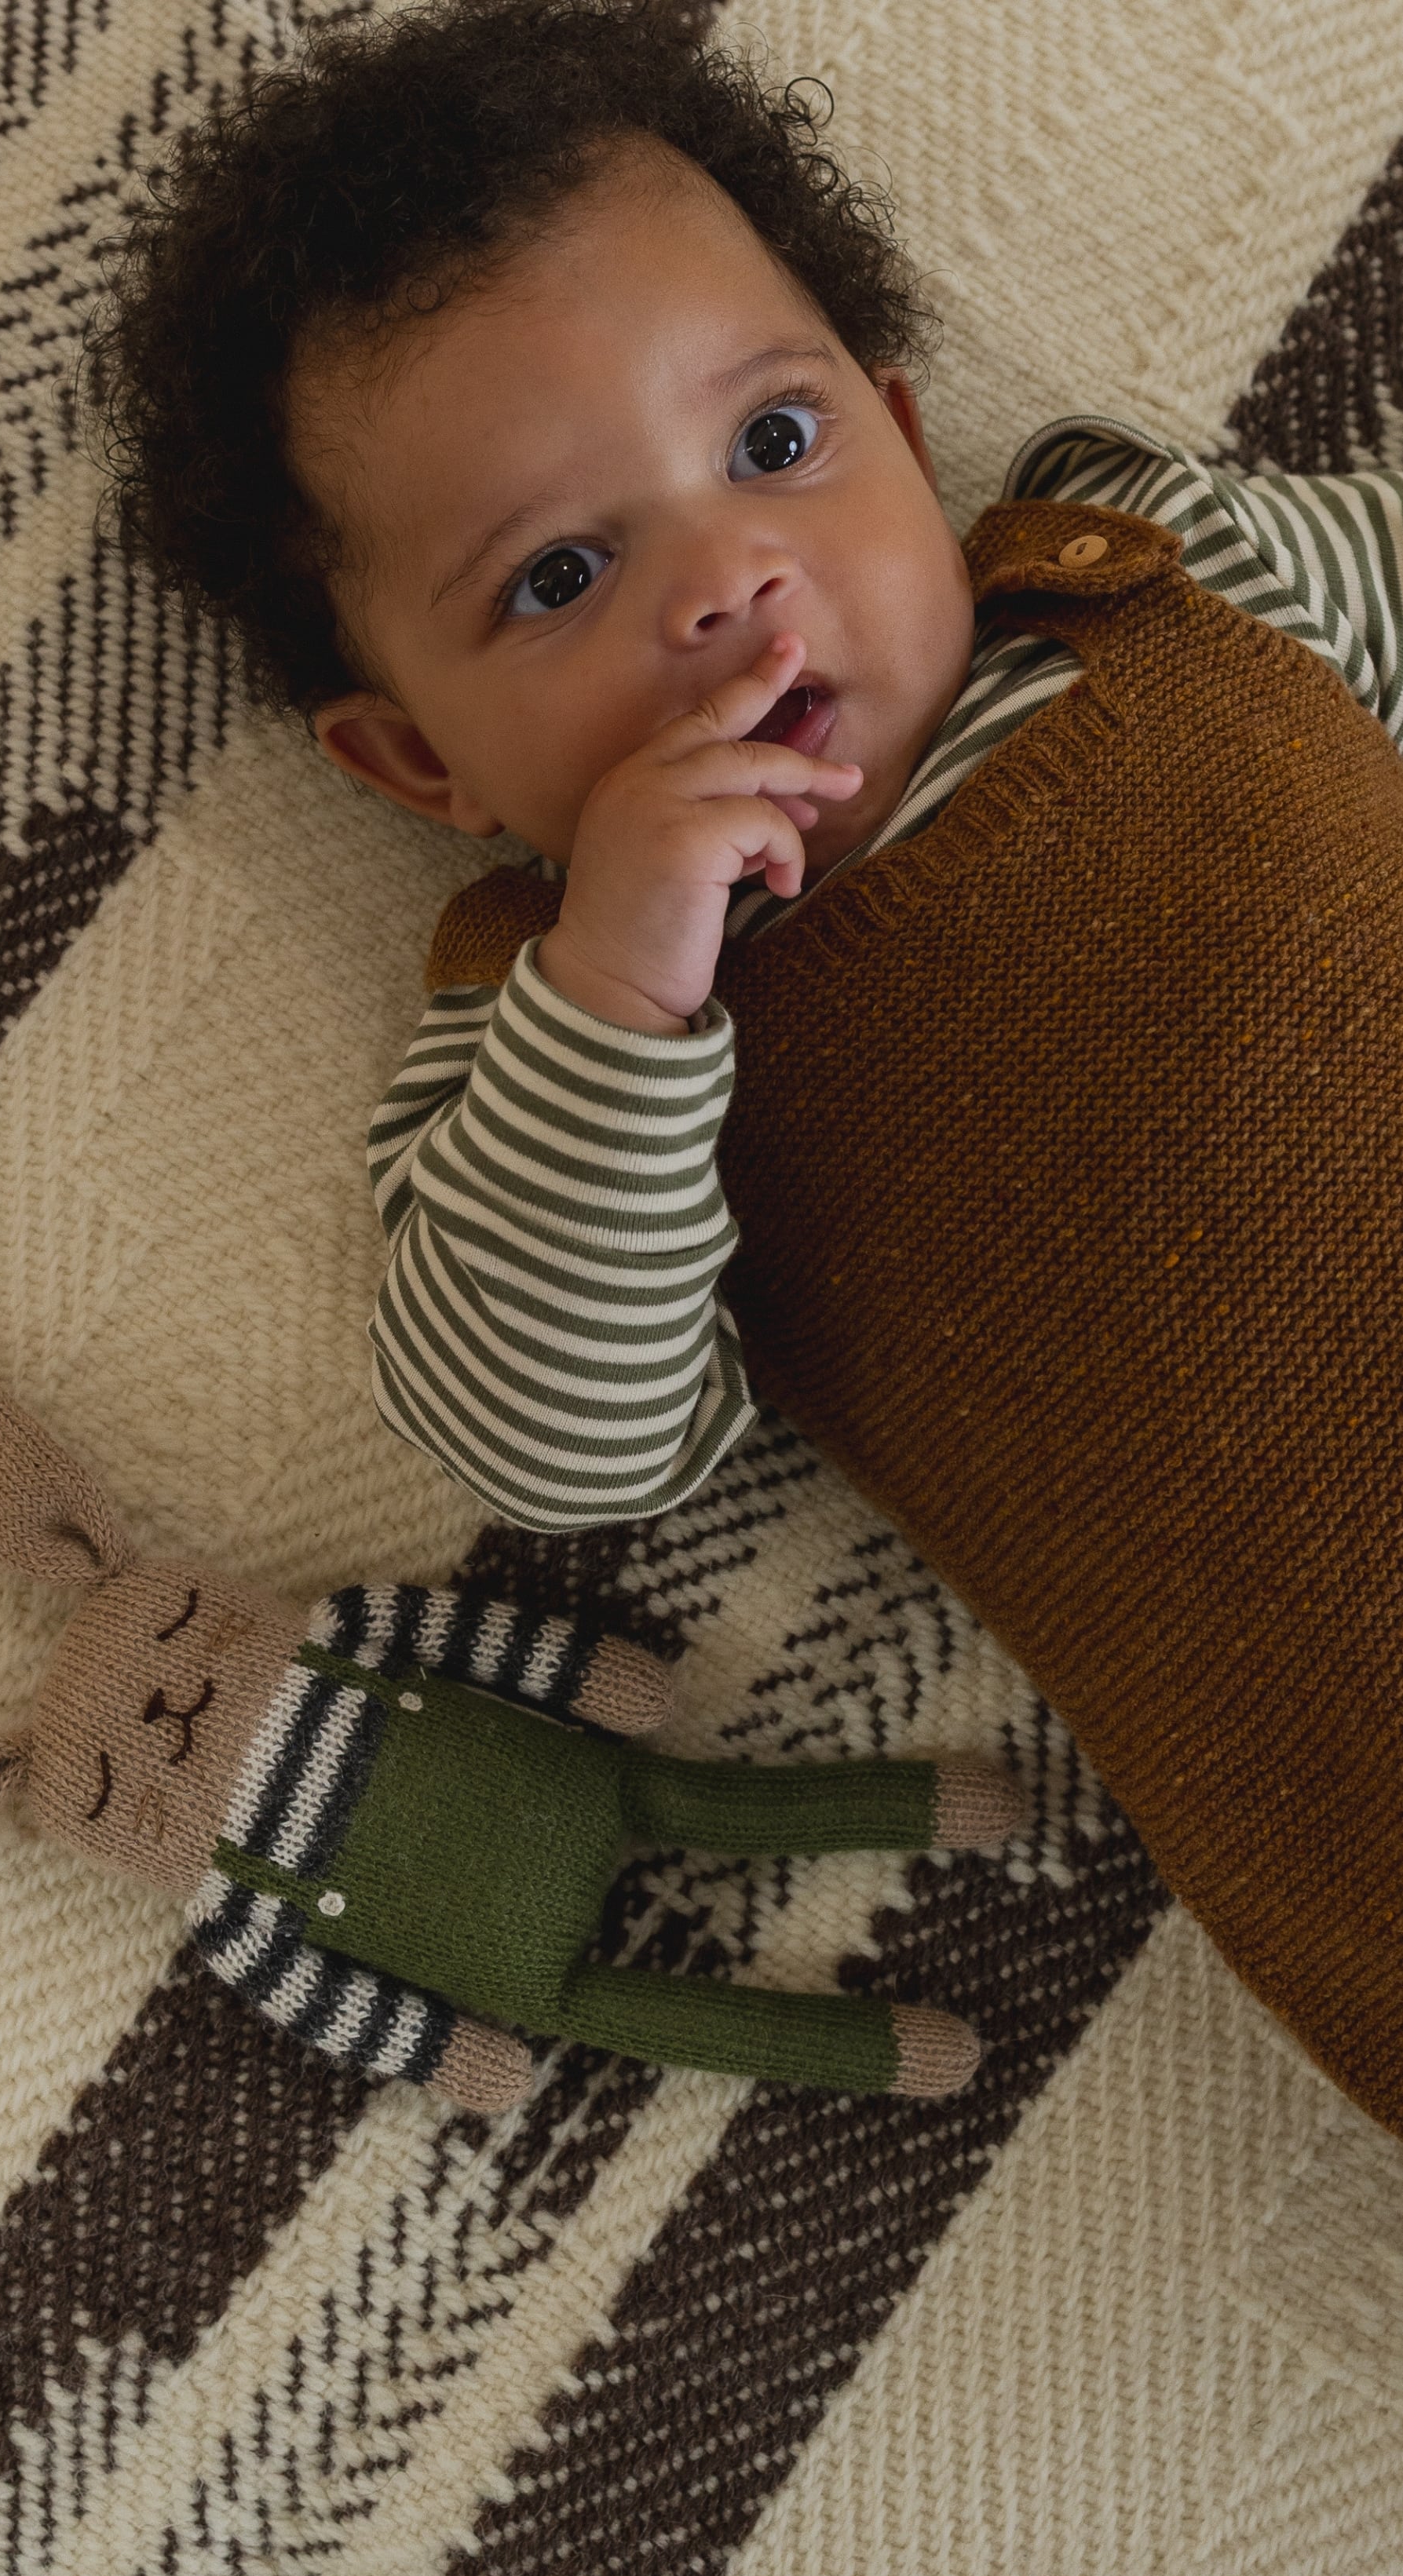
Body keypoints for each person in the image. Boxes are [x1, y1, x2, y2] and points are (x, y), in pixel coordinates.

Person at [87, 0, 1403, 1535]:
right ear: (415, 759)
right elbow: (554, 1453)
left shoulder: (1156, 582)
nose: (723, 579)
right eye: (558, 575)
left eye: (772, 443)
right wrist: (620, 994)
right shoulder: (568, 1047)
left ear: (904, 445)